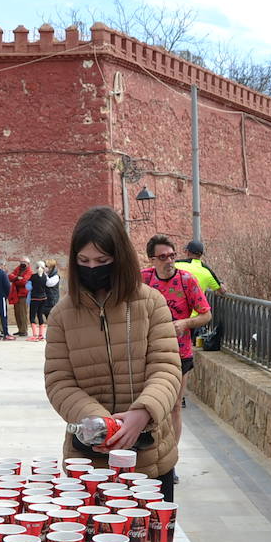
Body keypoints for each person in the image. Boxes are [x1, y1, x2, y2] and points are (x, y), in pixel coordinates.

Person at [44, 207, 182, 499]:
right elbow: (59, 381)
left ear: (119, 258)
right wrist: (101, 424)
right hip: (88, 460)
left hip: (149, 458)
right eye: (84, 261)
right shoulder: (62, 315)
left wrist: (143, 413)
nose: (93, 268)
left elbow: (167, 368)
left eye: (102, 261)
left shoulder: (150, 303)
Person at [141, 234, 210, 458]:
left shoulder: (187, 280)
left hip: (180, 353)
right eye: (163, 257)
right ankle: (150, 454)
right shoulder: (143, 280)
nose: (169, 261)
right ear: (152, 259)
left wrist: (185, 323)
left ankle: (170, 458)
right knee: (148, 405)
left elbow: (206, 314)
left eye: (172, 255)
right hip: (148, 353)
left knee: (174, 406)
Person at [9, 257, 32, 337]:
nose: (22, 263)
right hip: (16, 294)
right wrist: (17, 278)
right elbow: (10, 276)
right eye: (21, 261)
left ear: (28, 263)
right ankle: (20, 329)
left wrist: (15, 280)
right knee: (17, 313)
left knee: (23, 313)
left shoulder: (29, 271)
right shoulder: (18, 269)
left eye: (24, 262)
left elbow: (24, 282)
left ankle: (24, 330)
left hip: (24, 295)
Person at [28, 261, 49, 341]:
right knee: (40, 315)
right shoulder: (45, 277)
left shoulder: (33, 276)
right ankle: (41, 334)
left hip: (35, 298)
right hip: (43, 298)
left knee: (32, 316)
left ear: (36, 268)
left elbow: (28, 287)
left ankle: (35, 335)